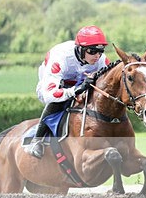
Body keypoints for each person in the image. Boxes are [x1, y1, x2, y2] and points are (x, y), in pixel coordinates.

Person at [25, 25, 111, 158]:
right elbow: (50, 94)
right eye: (92, 51)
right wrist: (75, 90)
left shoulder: (101, 60)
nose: (97, 55)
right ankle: (37, 140)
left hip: (80, 84)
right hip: (53, 87)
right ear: (80, 49)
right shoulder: (61, 57)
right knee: (59, 101)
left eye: (100, 50)